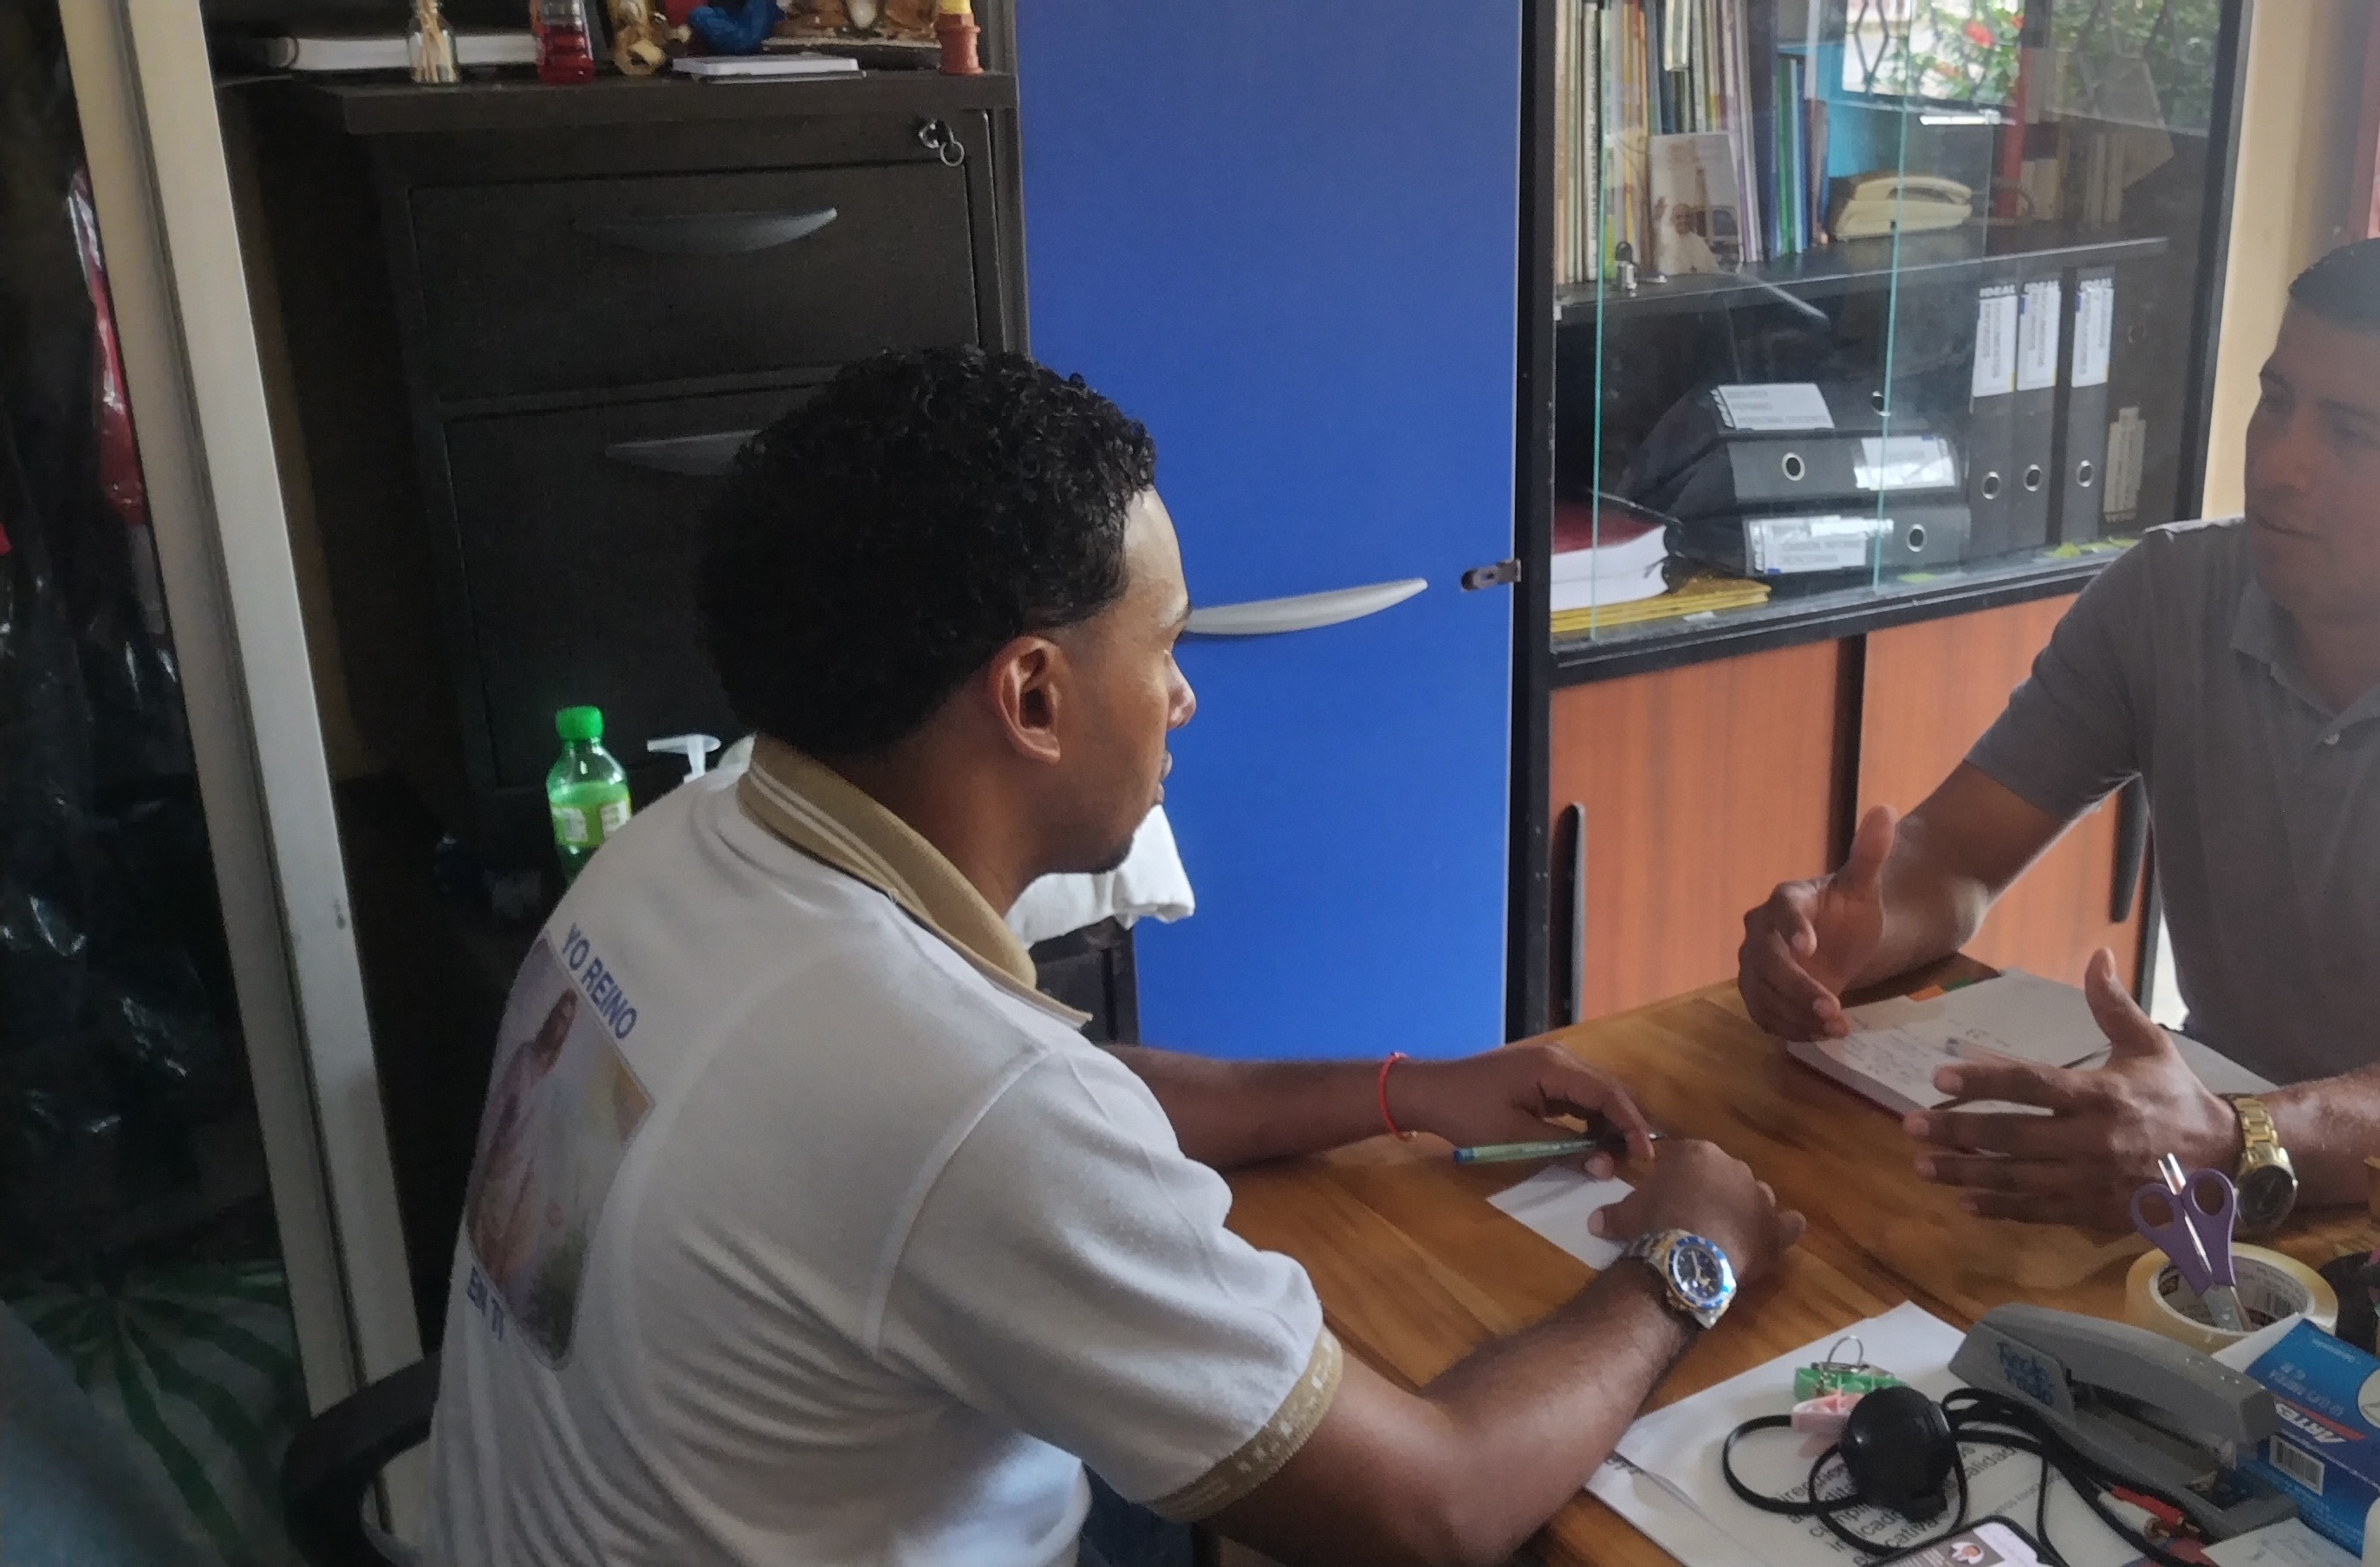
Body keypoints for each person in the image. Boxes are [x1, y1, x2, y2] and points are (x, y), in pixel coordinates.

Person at [425, 347, 1804, 1567]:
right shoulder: (955, 1096)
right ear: (1032, 695)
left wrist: (1403, 1090)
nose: (1184, 697)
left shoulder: (685, 839)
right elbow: (1435, 1505)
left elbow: (1031, 1117)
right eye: (1166, 643)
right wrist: (1686, 1256)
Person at [1737, 234, 2380, 1232]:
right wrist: (1849, 931)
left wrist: (2241, 1135)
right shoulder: (2170, 595)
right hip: (2235, 1176)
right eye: (2276, 401)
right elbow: (1952, 856)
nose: (2280, 464)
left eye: (2351, 434)